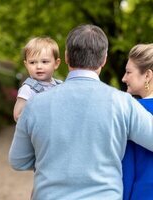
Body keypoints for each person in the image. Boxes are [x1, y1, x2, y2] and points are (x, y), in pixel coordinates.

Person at [9, 24, 153, 200]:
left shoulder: (34, 104)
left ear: (67, 57)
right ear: (104, 59)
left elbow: (18, 161)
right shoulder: (123, 103)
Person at [122, 43, 153, 200]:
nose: (123, 78)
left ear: (147, 75)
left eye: (128, 72)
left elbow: (127, 169)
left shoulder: (132, 111)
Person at [13, 37, 62, 122]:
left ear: (56, 64)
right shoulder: (28, 89)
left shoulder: (60, 86)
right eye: (32, 62)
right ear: (26, 65)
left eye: (44, 62)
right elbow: (17, 116)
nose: (39, 67)